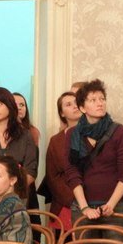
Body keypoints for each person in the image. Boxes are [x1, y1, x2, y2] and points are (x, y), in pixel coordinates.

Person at [64, 80, 123, 244]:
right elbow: (72, 172)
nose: (100, 103)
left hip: (116, 206)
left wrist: (111, 204)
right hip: (84, 206)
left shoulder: (118, 131)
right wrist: (84, 207)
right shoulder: (73, 135)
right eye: (93, 100)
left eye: (102, 99)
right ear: (82, 107)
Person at [40, 91, 82, 233]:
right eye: (68, 104)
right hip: (65, 203)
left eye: (77, 102)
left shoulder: (96, 136)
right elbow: (52, 176)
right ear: (62, 113)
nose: (75, 106)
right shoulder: (55, 141)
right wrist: (72, 200)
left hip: (93, 202)